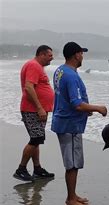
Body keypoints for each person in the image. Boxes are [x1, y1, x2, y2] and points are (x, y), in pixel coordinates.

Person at [52, 42, 107, 205]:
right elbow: (76, 103)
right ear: (76, 55)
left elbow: (69, 99)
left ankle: (73, 195)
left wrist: (85, 109)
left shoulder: (60, 70)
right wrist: (97, 108)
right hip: (70, 124)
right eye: (81, 53)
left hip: (64, 120)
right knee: (73, 164)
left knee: (72, 162)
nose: (83, 56)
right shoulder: (71, 75)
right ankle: (70, 201)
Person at [14, 45, 56, 182]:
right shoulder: (34, 65)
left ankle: (37, 169)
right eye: (50, 55)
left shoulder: (36, 66)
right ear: (42, 54)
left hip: (36, 110)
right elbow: (29, 87)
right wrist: (39, 107)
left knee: (36, 139)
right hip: (32, 110)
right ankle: (21, 169)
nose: (52, 58)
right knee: (35, 139)